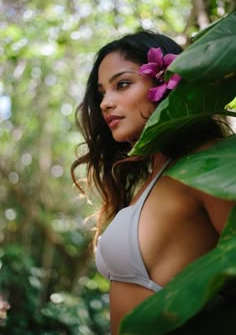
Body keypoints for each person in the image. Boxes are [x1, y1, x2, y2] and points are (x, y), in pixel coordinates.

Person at [71, 31, 236, 335]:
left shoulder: (209, 164)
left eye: (122, 84)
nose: (106, 103)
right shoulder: (149, 181)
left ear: (166, 81)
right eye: (101, 93)